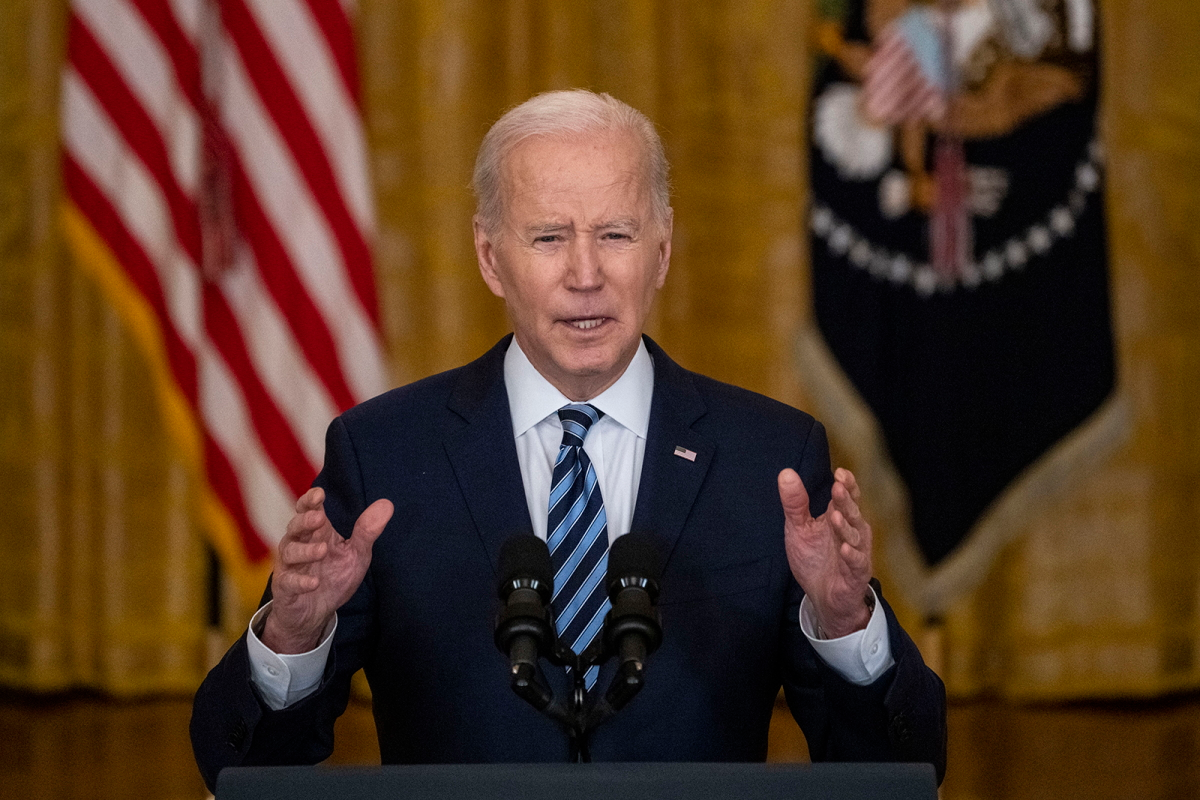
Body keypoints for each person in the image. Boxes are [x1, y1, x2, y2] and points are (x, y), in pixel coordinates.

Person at [190, 89, 946, 791]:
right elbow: (246, 768)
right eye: (549, 237)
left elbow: (900, 770)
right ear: (491, 257)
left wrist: (847, 626)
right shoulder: (386, 454)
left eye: (615, 234)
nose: (586, 274)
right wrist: (293, 635)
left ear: (663, 248)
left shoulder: (769, 461)